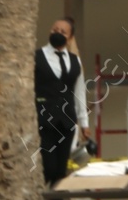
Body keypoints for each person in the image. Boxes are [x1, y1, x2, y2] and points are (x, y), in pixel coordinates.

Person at [35, 17, 90, 186]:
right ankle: (45, 198)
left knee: (61, 169)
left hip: (66, 121)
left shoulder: (75, 61)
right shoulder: (37, 56)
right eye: (54, 30)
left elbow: (79, 92)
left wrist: (84, 123)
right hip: (44, 119)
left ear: (70, 37)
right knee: (49, 166)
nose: (57, 33)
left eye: (62, 32)